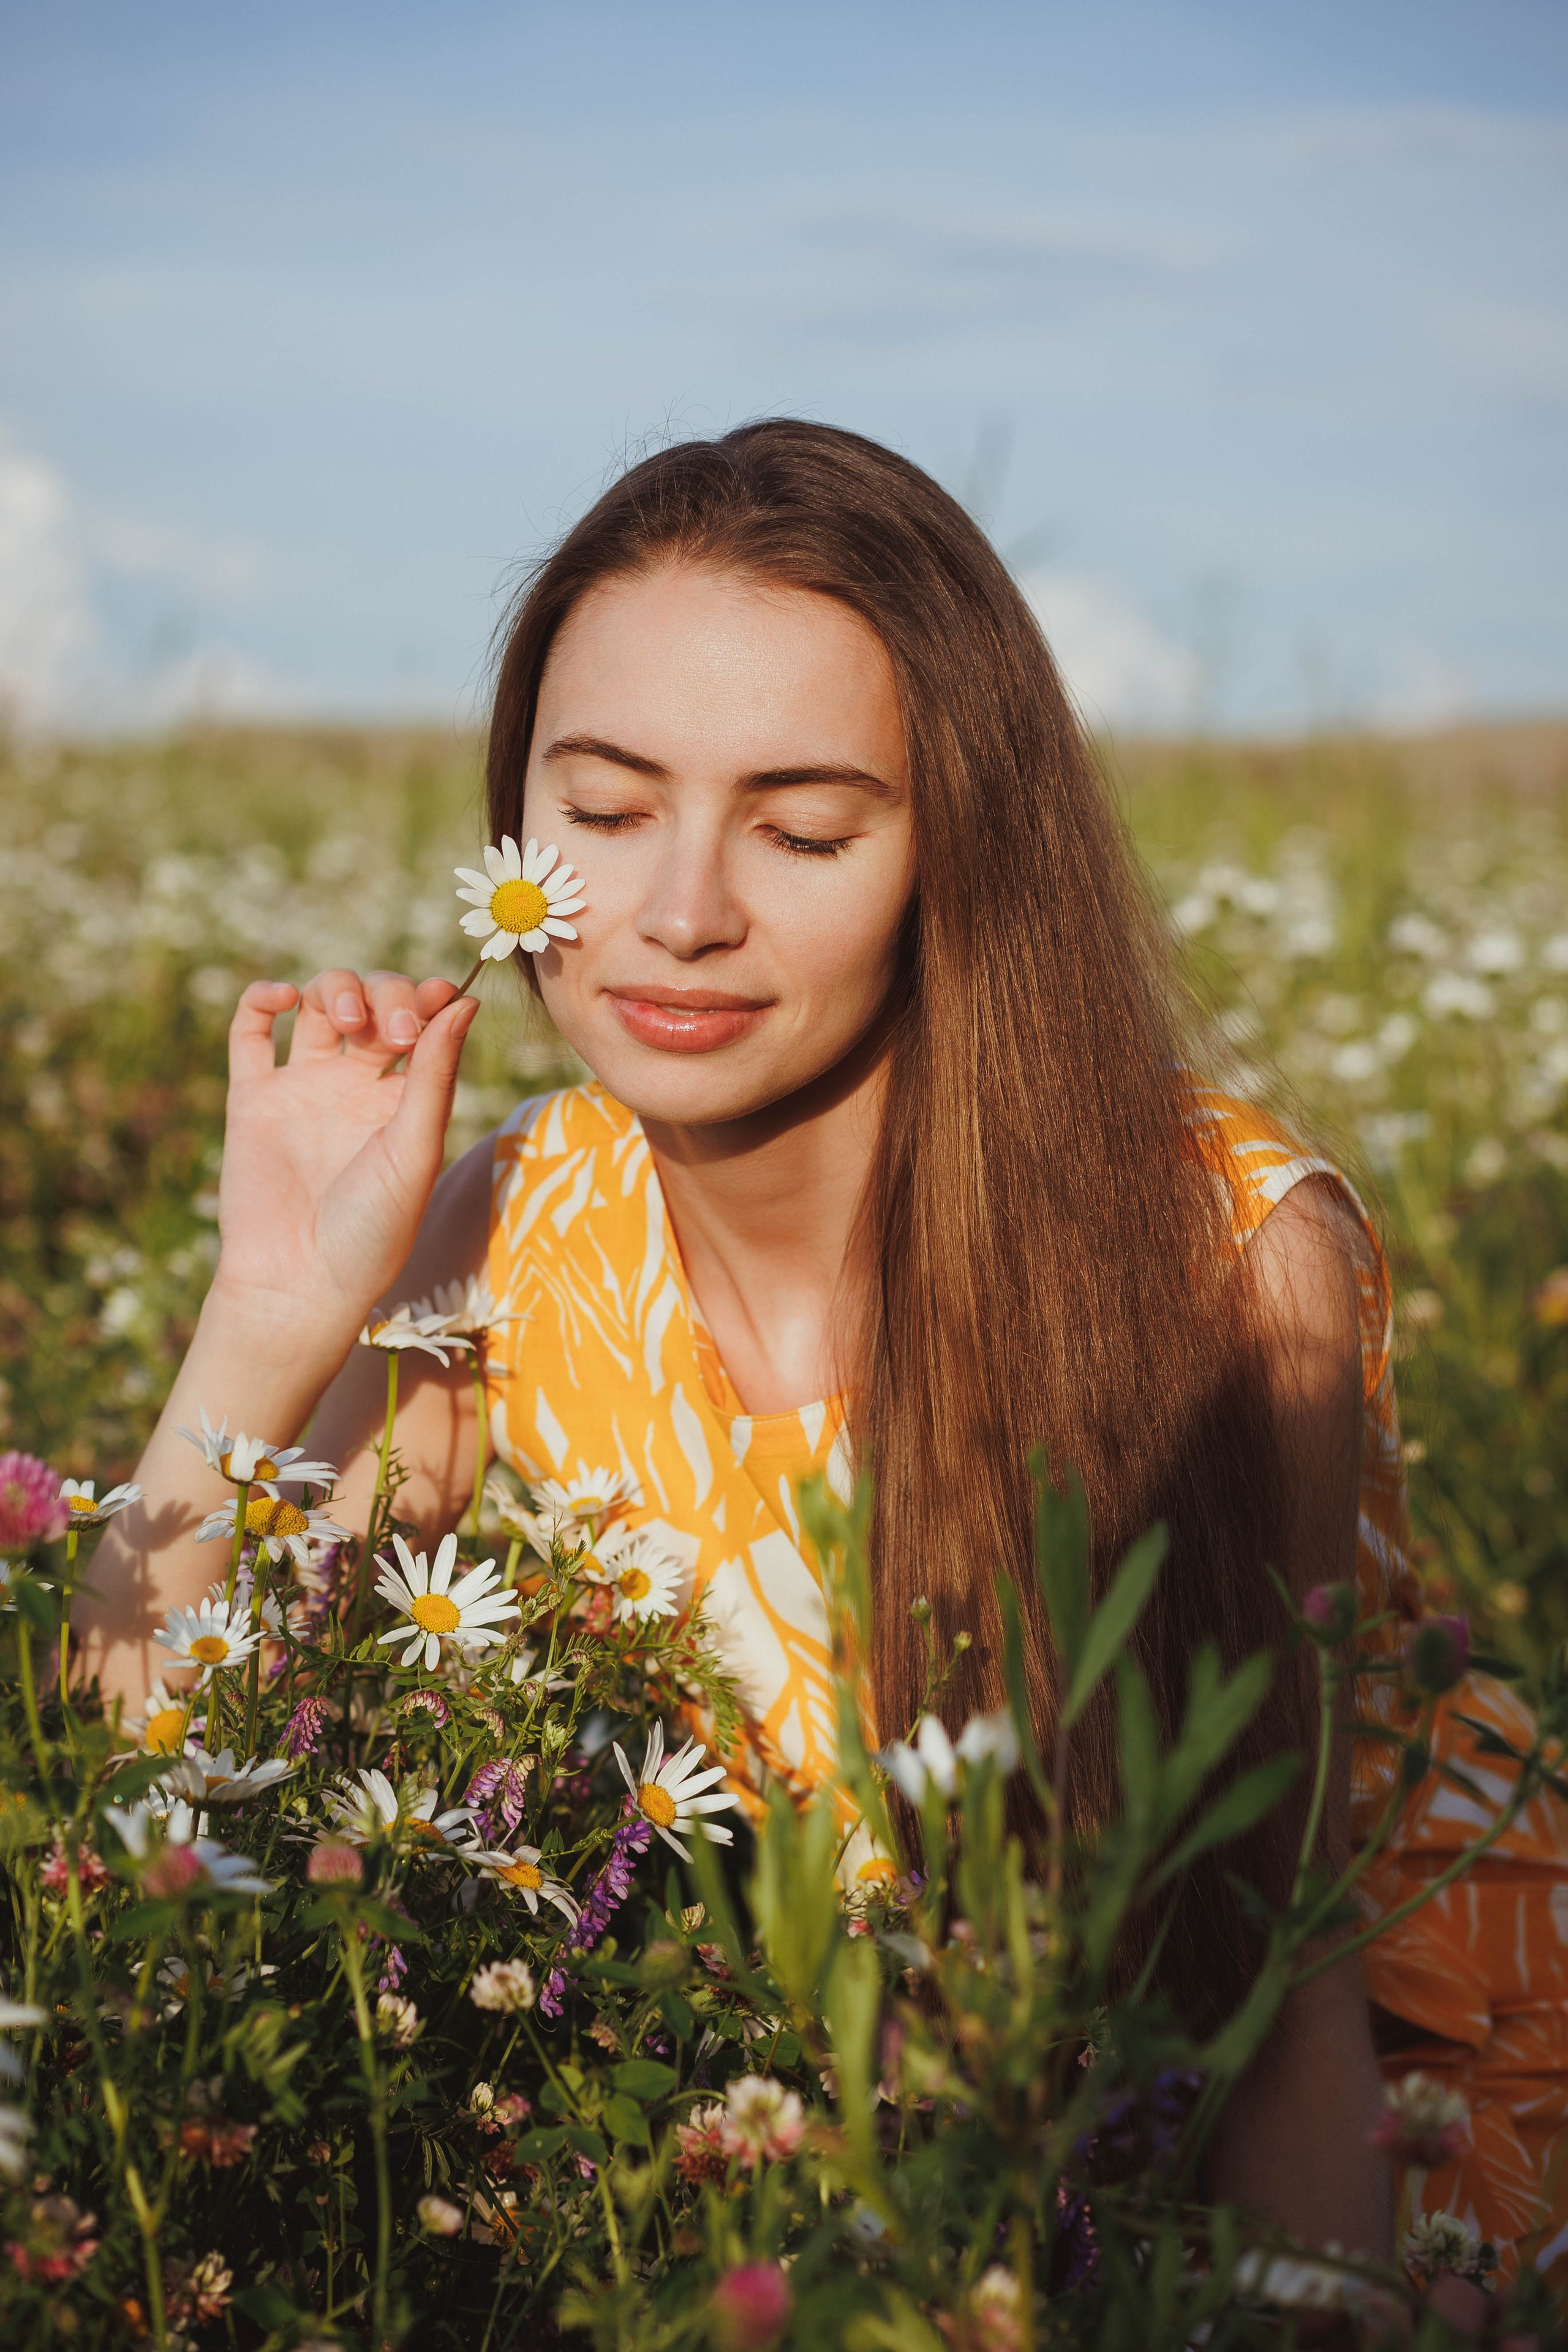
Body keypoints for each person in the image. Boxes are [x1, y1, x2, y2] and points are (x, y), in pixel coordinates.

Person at [76, 421, 1568, 2285]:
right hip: (881, 2170)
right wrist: (270, 1312)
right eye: (604, 812)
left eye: (802, 831)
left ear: (964, 854)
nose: (682, 913)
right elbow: (145, 1786)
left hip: (1372, 2161)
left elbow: (1276, 2001)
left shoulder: (1226, 1265)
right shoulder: (510, 1234)